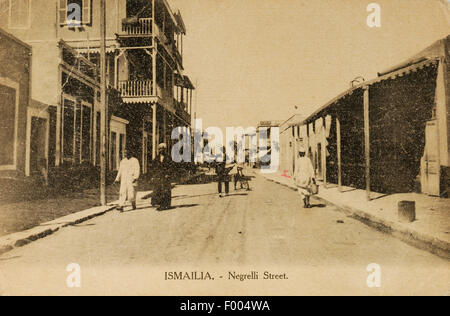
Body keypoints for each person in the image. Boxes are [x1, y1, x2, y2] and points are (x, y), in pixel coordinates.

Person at [152, 143, 173, 211]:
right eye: (159, 149)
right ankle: (161, 205)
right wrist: (153, 176)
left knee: (166, 190)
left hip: (166, 176)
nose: (161, 150)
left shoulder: (168, 157)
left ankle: (167, 204)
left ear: (165, 150)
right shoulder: (156, 158)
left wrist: (168, 174)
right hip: (159, 176)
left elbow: (171, 167)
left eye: (162, 149)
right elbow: (154, 167)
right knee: (160, 190)